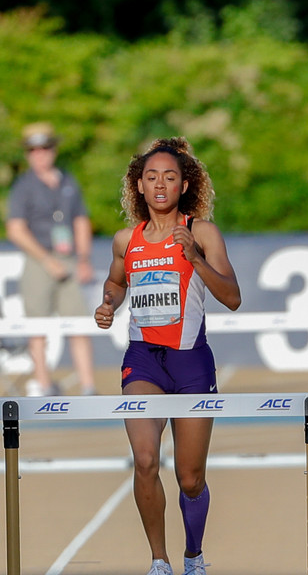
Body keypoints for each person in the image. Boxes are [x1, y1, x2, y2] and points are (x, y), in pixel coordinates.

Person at [94, 137, 241, 575]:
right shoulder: (127, 239)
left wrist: (194, 257)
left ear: (184, 185)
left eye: (170, 177)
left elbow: (232, 297)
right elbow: (116, 282)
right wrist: (108, 303)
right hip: (142, 360)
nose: (160, 184)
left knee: (190, 477)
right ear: (138, 185)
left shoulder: (202, 232)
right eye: (152, 177)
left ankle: (193, 555)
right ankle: (159, 560)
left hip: (190, 362)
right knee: (144, 460)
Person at [5, 122, 97, 396]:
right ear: (28, 154)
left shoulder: (68, 180)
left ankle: (88, 386)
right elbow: (16, 229)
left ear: (53, 149)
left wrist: (83, 259)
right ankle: (43, 384)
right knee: (38, 327)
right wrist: (46, 260)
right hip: (38, 261)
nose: (40, 154)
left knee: (78, 324)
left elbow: (81, 220)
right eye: (33, 150)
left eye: (44, 148)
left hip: (68, 258)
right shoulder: (23, 187)